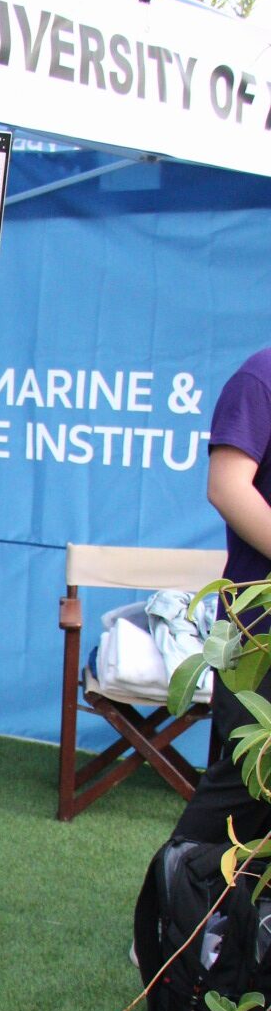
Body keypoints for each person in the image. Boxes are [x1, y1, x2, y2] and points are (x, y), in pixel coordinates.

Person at [173, 347, 271, 846]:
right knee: (249, 780)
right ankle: (178, 890)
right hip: (259, 629)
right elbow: (227, 487)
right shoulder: (261, 376)